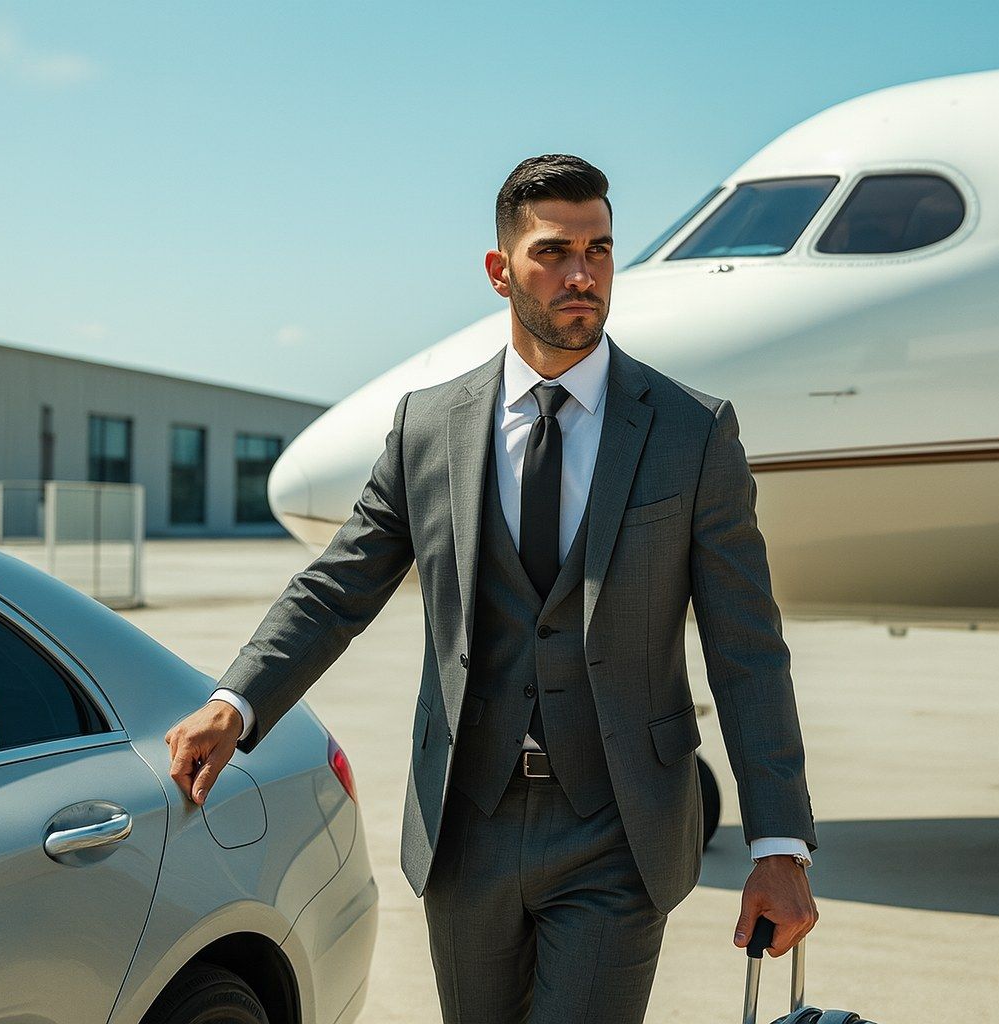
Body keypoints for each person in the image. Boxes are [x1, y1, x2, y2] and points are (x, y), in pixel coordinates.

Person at [164, 153, 817, 1023]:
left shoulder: (691, 433)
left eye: (601, 249)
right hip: (465, 822)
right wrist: (236, 700)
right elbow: (338, 586)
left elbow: (747, 650)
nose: (583, 275)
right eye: (553, 252)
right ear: (500, 269)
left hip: (618, 828)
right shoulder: (427, 427)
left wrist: (780, 843)